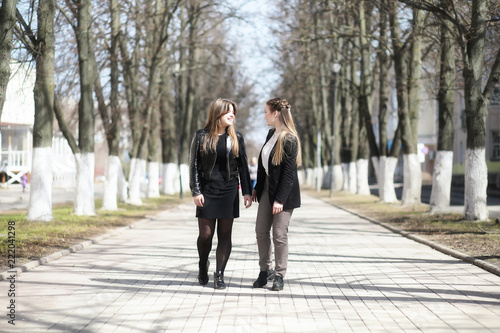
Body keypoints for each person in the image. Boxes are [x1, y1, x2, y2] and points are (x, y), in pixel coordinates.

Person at [189, 98, 253, 289]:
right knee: (206, 235)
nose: (232, 115)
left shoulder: (236, 137)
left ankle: (219, 274)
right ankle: (203, 264)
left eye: (233, 112)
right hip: (207, 190)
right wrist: (196, 190)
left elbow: (243, 166)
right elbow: (193, 165)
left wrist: (247, 192)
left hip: (229, 190)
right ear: (217, 114)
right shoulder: (201, 136)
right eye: (228, 112)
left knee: (225, 234)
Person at [251, 98, 302, 291]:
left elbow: (289, 173)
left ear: (276, 114)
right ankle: (265, 271)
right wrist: (257, 187)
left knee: (279, 235)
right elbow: (264, 167)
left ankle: (280, 275)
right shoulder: (271, 134)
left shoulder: (289, 138)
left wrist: (280, 200)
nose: (264, 115)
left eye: (266, 112)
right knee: (261, 231)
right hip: (266, 190)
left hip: (284, 194)